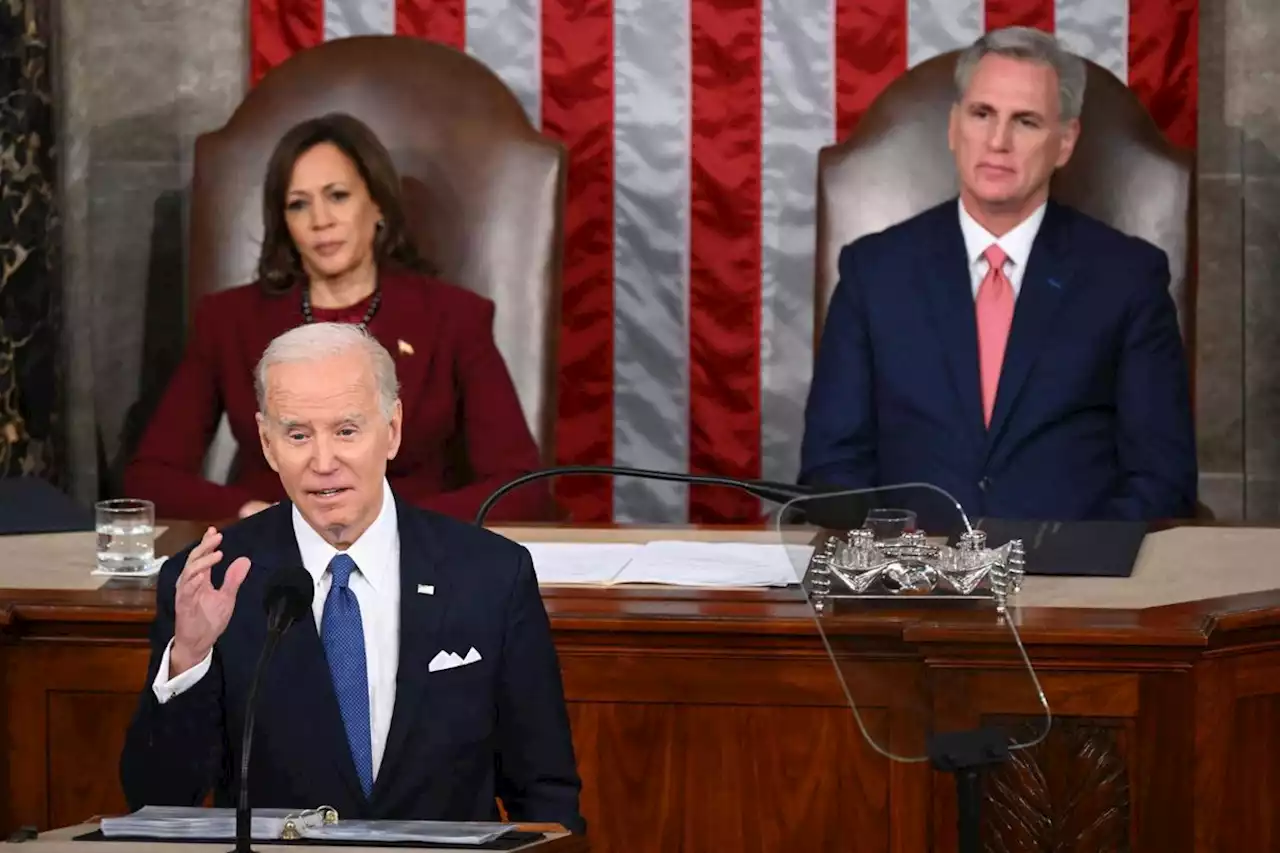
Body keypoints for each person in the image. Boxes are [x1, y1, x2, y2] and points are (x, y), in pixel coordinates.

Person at [119, 322, 584, 831]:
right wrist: (190, 656)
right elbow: (157, 798)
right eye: (298, 435)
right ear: (268, 444)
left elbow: (544, 792)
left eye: (346, 431)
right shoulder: (213, 580)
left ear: (392, 430)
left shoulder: (491, 574)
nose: (323, 462)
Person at [799, 26, 1197, 531]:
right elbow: (833, 467)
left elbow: (1162, 479)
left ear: (1065, 142)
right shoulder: (873, 272)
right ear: (953, 127)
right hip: (910, 586)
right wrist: (905, 562)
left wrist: (1081, 562)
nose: (998, 141)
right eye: (982, 114)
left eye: (1026, 121)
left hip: (1072, 589)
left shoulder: (1128, 278)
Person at [123, 112, 546, 523]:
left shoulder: (454, 317)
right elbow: (151, 478)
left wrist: (396, 526)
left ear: (378, 204)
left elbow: (523, 486)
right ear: (284, 222)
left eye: (337, 196)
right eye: (298, 205)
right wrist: (254, 514)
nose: (320, 220)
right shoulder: (229, 320)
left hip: (417, 555)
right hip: (279, 557)